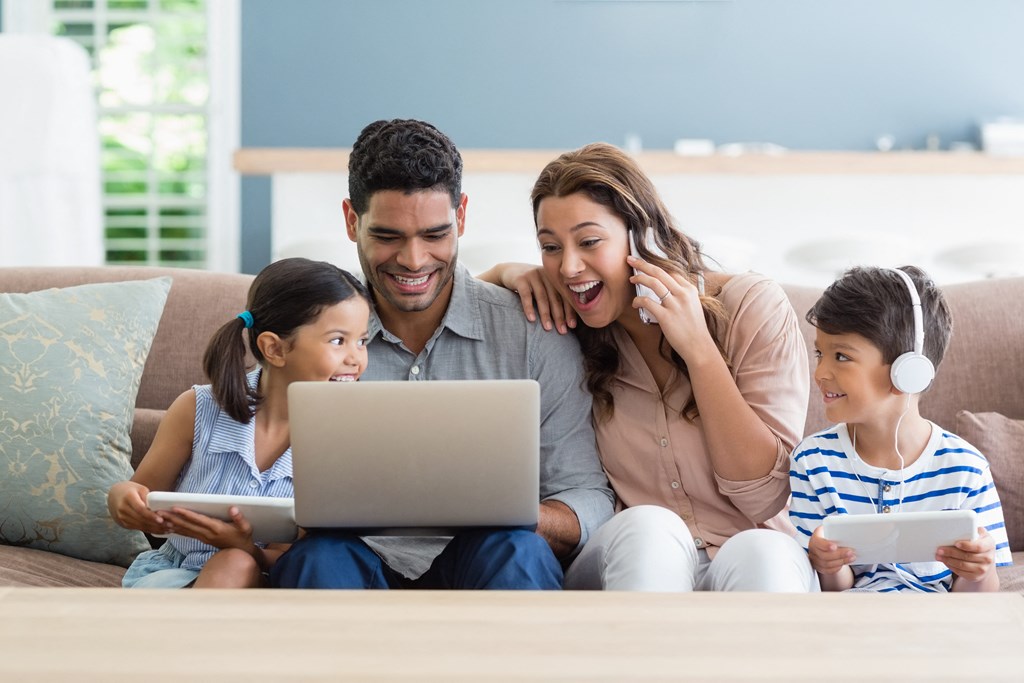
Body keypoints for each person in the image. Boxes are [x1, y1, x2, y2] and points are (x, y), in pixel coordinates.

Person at [268, 119, 614, 590]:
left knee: (518, 547)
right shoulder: (302, 335)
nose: (413, 260)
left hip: (487, 559)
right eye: (388, 236)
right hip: (350, 558)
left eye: (434, 234)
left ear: (462, 217)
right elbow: (252, 467)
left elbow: (588, 497)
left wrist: (512, 513)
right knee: (316, 559)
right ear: (352, 221)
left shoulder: (535, 332)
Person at [479, 142, 816, 591]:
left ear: (644, 237)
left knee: (764, 551)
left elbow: (762, 497)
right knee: (651, 528)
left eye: (589, 241)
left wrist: (699, 350)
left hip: (748, 549)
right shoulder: (566, 322)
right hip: (632, 556)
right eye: (550, 247)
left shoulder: (750, 308)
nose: (569, 266)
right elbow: (452, 309)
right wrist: (504, 272)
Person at [108, 258, 371, 588]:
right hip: (171, 575)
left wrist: (244, 548)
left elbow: (296, 556)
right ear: (274, 348)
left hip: (265, 580)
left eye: (362, 341)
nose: (356, 358)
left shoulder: (343, 440)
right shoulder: (197, 408)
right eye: (338, 341)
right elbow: (141, 493)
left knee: (235, 562)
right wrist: (123, 499)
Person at [788, 265, 1012, 592]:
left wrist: (977, 570)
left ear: (909, 372)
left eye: (841, 356)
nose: (820, 371)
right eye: (820, 353)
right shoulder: (812, 461)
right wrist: (828, 566)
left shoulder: (966, 467)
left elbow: (976, 598)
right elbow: (831, 591)